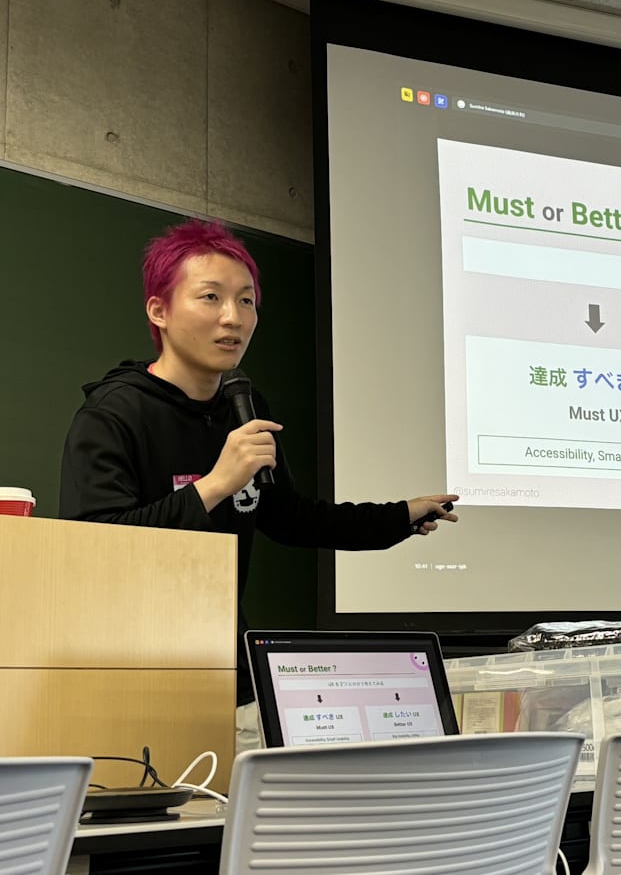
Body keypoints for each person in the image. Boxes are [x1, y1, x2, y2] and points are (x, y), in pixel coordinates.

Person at [59, 219, 458, 753]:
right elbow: (93, 549)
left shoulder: (243, 407)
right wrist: (215, 485)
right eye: (211, 297)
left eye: (246, 301)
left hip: (224, 661)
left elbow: (291, 518)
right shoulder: (113, 414)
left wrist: (398, 515)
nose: (234, 317)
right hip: (127, 670)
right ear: (159, 311)